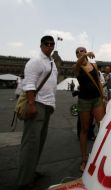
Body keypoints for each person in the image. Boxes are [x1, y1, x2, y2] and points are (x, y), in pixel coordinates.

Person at [16, 35, 58, 190]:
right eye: (46, 44)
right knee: (31, 144)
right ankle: (24, 181)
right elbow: (29, 83)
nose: (49, 46)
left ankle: (31, 171)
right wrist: (32, 104)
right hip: (37, 104)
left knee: (39, 142)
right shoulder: (36, 61)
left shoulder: (51, 62)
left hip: (46, 105)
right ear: (41, 45)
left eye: (51, 44)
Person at [74, 47, 105, 172]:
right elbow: (77, 63)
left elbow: (98, 82)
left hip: (97, 99)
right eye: (77, 52)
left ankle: (102, 154)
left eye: (82, 50)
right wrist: (86, 54)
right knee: (85, 129)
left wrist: (103, 98)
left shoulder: (94, 65)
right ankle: (84, 159)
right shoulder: (76, 67)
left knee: (101, 126)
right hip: (84, 101)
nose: (80, 53)